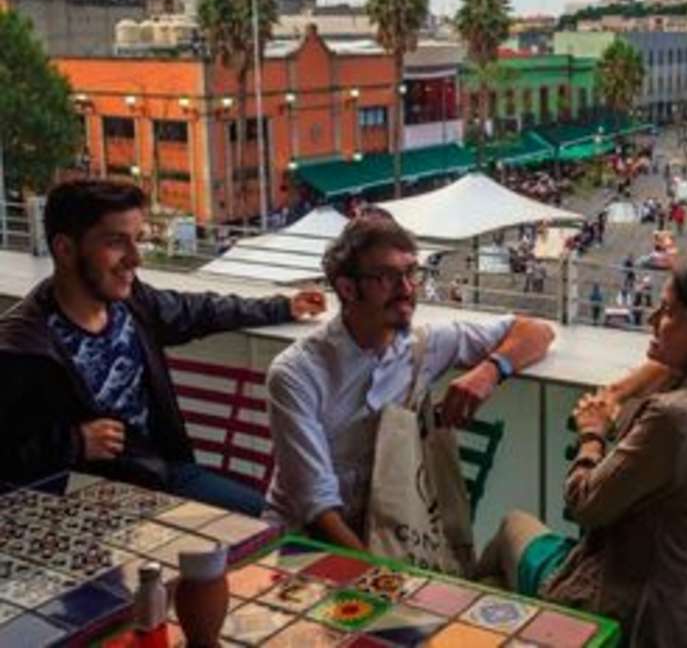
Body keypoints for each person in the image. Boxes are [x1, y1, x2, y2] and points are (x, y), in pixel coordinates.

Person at [478, 256, 687, 647]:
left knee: (511, 529)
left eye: (668, 312)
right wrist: (618, 394)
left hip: (647, 622)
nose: (652, 320)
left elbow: (585, 505)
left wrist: (592, 433)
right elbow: (665, 364)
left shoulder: (675, 418)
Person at [0, 180, 326, 515]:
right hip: (84, 505)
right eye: (116, 242)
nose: (135, 258)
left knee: (281, 529)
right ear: (65, 249)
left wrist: (283, 308)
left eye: (136, 240)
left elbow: (198, 310)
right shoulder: (22, 346)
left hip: (164, 477)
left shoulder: (131, 303)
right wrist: (74, 443)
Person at [264, 215, 554, 550]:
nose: (406, 289)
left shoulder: (422, 347)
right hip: (304, 541)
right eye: (386, 277)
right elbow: (317, 507)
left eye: (410, 273)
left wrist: (490, 371)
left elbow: (538, 331)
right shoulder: (296, 373)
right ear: (347, 288)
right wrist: (381, 577)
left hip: (392, 533)